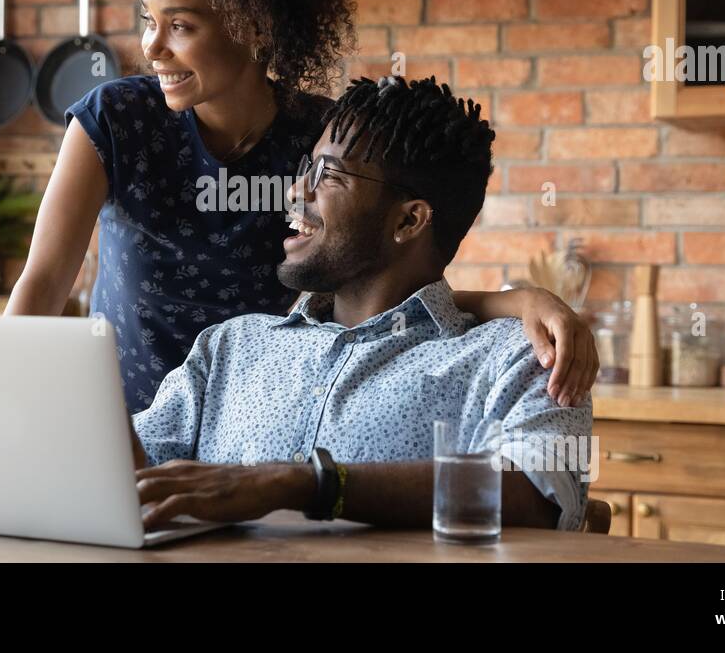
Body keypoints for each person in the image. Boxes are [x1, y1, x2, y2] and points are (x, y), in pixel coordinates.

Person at [5, 0, 598, 414]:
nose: (151, 48)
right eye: (148, 21)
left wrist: (518, 300)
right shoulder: (116, 120)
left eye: (180, 26)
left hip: (255, 428)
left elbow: (373, 296)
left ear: (256, 27)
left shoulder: (320, 142)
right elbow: (44, 281)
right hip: (117, 430)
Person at [129, 77, 594, 532]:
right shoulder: (229, 347)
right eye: (305, 170)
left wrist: (305, 485)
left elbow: (538, 493)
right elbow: (124, 475)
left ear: (409, 220)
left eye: (327, 175)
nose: (295, 192)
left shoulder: (524, 354)